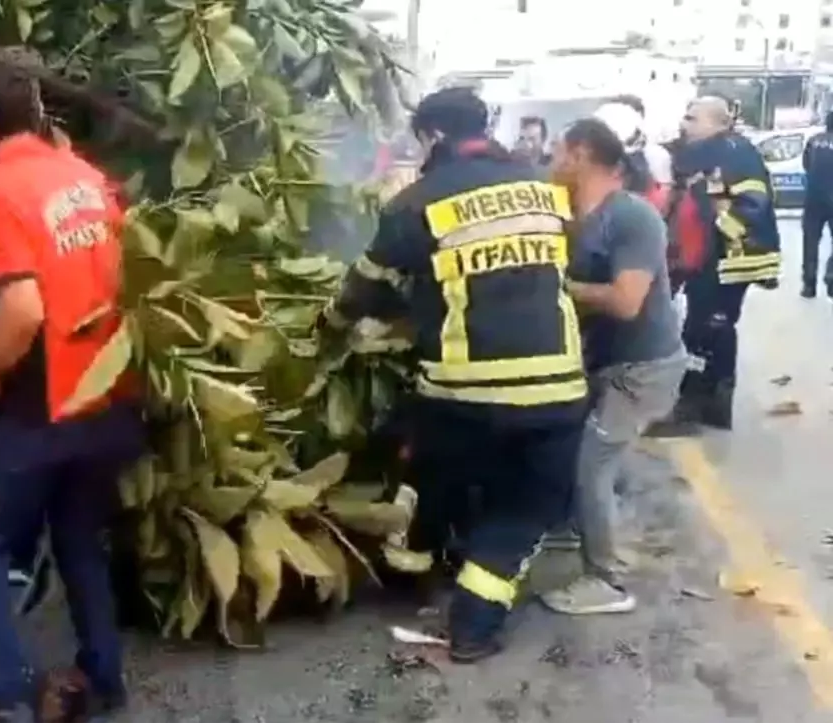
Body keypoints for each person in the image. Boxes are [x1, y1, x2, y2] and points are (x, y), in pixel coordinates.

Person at [320, 86, 587, 663]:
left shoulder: (415, 203)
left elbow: (366, 288)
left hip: (462, 392)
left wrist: (331, 325)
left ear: (432, 136)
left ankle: (418, 583)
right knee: (523, 510)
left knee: (436, 480)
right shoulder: (543, 189)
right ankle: (475, 624)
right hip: (555, 388)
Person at [0, 47, 144, 723]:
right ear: (38, 109)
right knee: (77, 533)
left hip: (48, 404)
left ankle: (8, 699)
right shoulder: (83, 174)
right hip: (114, 395)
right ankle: (105, 675)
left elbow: (26, 310)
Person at [538, 119, 687, 615]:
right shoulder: (579, 216)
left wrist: (558, 288)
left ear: (579, 154)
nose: (552, 161)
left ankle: (608, 580)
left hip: (642, 369)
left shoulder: (632, 217)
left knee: (592, 465)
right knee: (565, 445)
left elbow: (626, 301)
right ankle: (572, 529)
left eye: (558, 152)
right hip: (604, 362)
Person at [649, 96, 780, 436]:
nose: (684, 123)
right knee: (710, 328)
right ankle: (711, 406)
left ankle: (696, 405)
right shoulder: (712, 151)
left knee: (706, 329)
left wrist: (721, 228)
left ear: (719, 123)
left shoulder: (733, 153)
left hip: (729, 259)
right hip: (711, 260)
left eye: (692, 118)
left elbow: (753, 205)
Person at [800, 111, 833, 298]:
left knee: (810, 243)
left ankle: (809, 285)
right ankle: (831, 276)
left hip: (813, 199)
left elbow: (806, 165)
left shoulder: (813, 141)